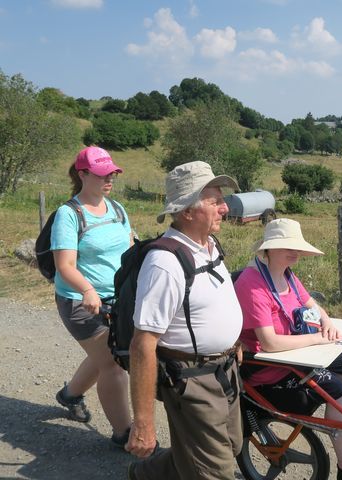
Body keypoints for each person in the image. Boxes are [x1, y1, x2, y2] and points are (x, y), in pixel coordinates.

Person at [234, 218, 342, 480]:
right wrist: (317, 339)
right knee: (336, 388)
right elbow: (269, 343)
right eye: (287, 246)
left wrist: (326, 322)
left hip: (295, 354)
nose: (295, 253)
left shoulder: (286, 274)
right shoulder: (253, 283)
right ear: (268, 248)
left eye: (297, 247)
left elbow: (311, 303)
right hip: (268, 364)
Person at [126, 161, 243, 480]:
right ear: (187, 211)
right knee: (215, 470)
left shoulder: (209, 245)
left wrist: (232, 341)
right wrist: (144, 422)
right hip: (192, 380)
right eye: (214, 200)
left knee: (229, 447)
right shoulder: (164, 263)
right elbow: (142, 344)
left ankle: (146, 475)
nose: (224, 207)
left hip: (224, 369)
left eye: (222, 199)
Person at [51, 146, 132, 447]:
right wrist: (87, 289)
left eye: (111, 172)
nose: (109, 178)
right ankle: (125, 434)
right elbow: (65, 266)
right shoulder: (69, 214)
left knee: (103, 355)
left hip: (116, 300)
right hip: (78, 301)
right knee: (112, 363)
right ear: (83, 174)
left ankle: (69, 395)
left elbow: (129, 249)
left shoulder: (118, 209)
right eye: (101, 174)